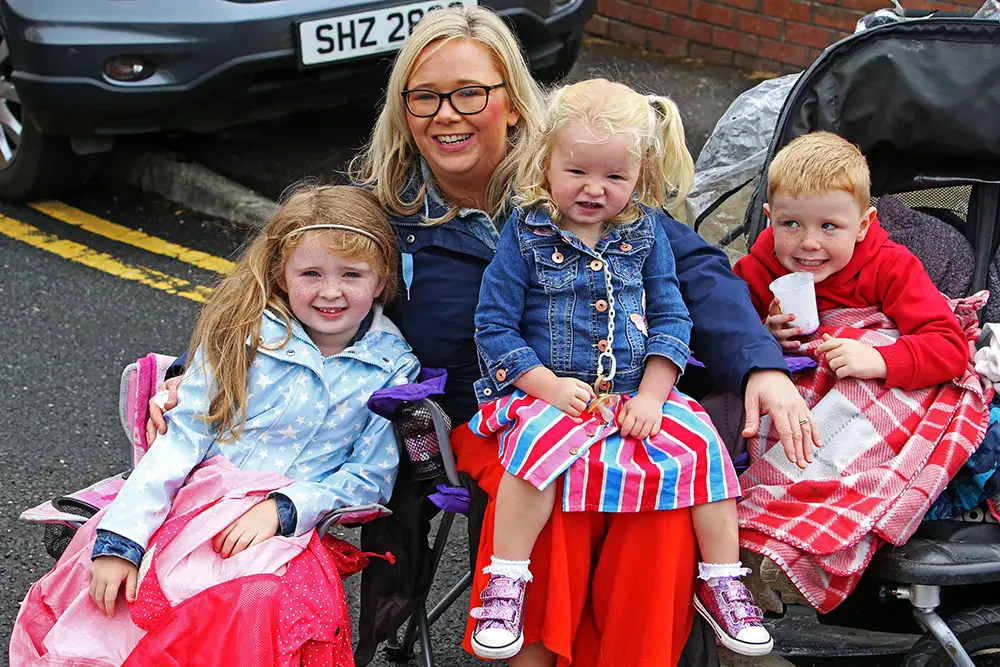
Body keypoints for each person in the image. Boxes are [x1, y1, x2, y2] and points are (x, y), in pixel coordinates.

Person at [151, 8, 820, 666]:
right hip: (480, 418)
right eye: (425, 96)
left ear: (512, 103)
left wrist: (760, 364)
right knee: (545, 483)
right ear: (402, 109)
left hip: (610, 406)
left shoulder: (572, 185)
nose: (447, 114)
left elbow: (693, 269)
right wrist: (195, 369)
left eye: (470, 92)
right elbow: (282, 285)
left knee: (663, 499)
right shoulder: (380, 208)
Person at [9, 185, 419, 665]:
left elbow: (371, 476)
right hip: (197, 505)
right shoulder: (241, 336)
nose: (330, 292)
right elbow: (180, 442)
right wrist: (122, 541)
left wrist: (286, 507)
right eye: (311, 273)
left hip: (286, 528)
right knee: (138, 593)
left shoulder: (393, 367)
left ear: (382, 278)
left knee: (254, 603)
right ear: (281, 277)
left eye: (351, 274)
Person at [466, 78, 770, 660]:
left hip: (633, 395)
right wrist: (546, 387)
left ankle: (724, 578)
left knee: (705, 443)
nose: (593, 189)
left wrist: (655, 396)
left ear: (640, 179)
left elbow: (672, 319)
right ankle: (506, 580)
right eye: (577, 171)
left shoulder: (646, 232)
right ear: (545, 162)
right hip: (546, 392)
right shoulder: (525, 235)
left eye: (614, 176)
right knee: (533, 449)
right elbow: (493, 328)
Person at [733, 131, 967, 389]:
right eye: (791, 224)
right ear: (770, 218)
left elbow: (950, 348)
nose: (809, 242)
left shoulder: (892, 267)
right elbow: (726, 332)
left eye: (829, 226)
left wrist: (881, 359)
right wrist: (764, 334)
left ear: (862, 225)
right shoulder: (754, 272)